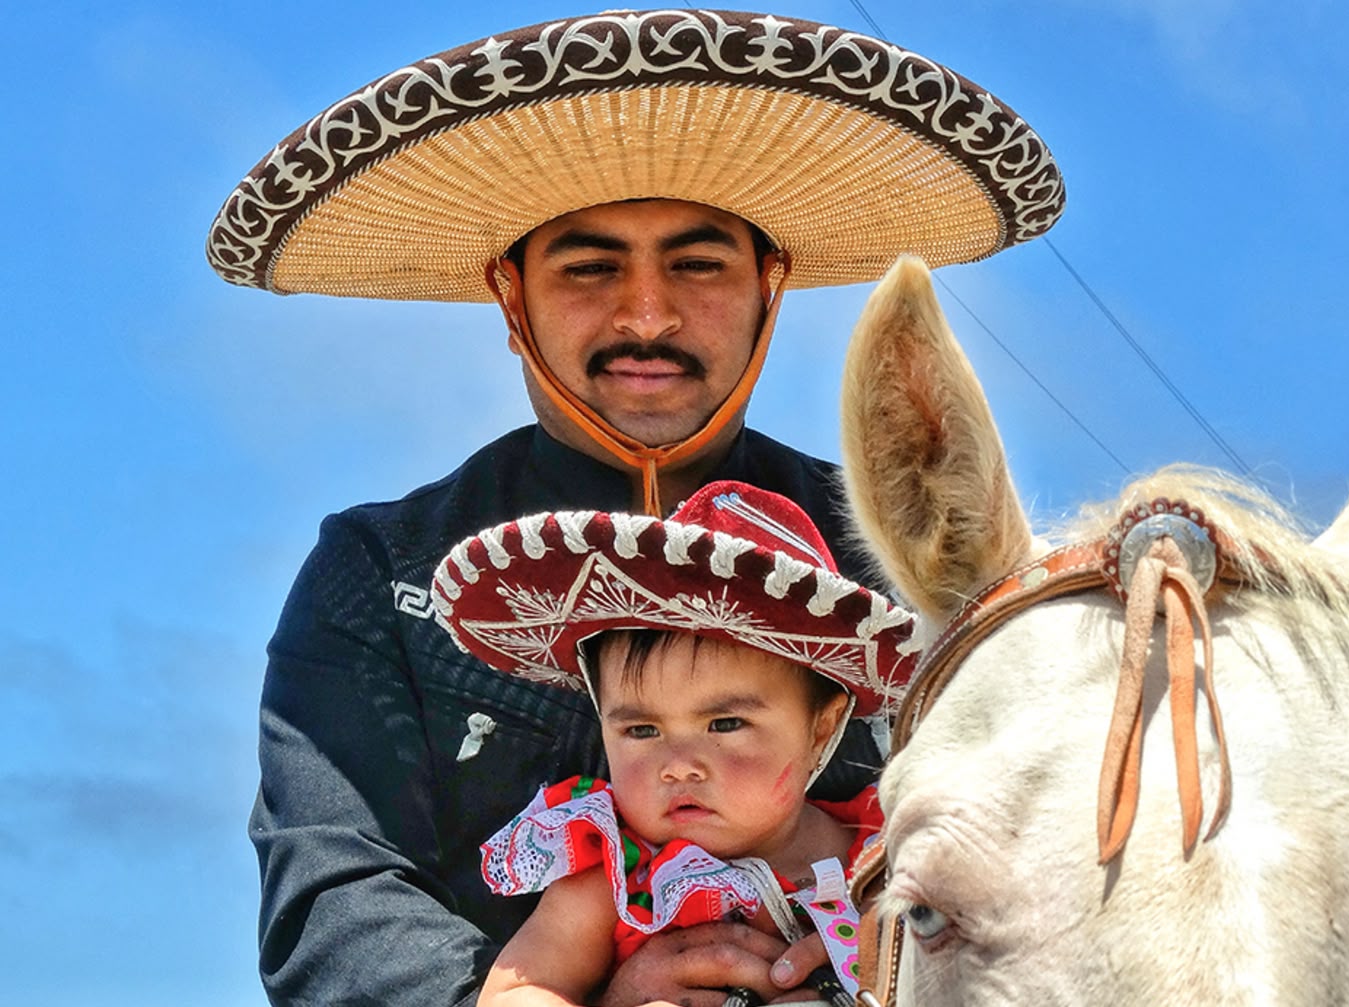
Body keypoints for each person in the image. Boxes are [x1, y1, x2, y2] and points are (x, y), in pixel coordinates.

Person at [206, 8, 1063, 1006]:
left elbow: (1028, 851)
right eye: (587, 265)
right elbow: (334, 900)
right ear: (510, 294)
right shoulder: (382, 567)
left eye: (698, 264)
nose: (648, 313)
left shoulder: (899, 556)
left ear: (767, 285)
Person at [431, 480, 920, 1005]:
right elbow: (520, 989)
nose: (679, 766)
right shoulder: (614, 876)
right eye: (642, 731)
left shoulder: (888, 858)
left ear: (822, 728)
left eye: (726, 724)